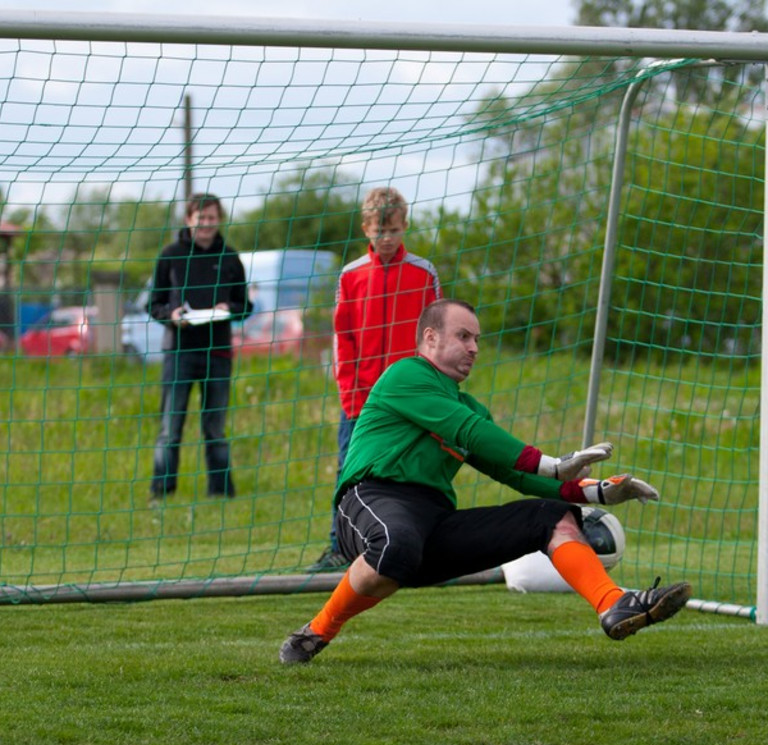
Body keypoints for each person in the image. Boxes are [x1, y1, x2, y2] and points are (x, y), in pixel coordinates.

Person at [280, 298, 691, 663]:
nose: (475, 348)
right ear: (430, 338)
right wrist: (551, 463)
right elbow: (471, 432)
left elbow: (515, 473)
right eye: (463, 336)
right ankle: (316, 632)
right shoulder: (406, 375)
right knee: (396, 544)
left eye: (477, 339)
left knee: (550, 517)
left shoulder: (469, 406)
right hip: (371, 500)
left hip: (433, 520)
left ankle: (613, 604)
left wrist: (599, 490)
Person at [308, 187, 442, 572]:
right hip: (362, 400)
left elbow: (436, 336)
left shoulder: (423, 272)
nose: (387, 239)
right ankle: (339, 546)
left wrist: (431, 390)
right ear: (366, 228)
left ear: (405, 226)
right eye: (380, 231)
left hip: (413, 399)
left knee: (416, 468)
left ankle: (424, 544)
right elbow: (342, 340)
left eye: (395, 231)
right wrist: (351, 395)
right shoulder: (351, 276)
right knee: (348, 469)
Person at [148, 192, 252, 501]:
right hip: (179, 352)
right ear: (189, 220)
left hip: (218, 353)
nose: (206, 224)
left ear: (219, 219)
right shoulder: (170, 255)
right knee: (170, 426)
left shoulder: (231, 258)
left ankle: (220, 493)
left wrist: (229, 309)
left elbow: (245, 305)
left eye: (212, 218)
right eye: (200, 218)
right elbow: (154, 304)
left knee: (215, 427)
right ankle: (161, 493)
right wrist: (171, 315)